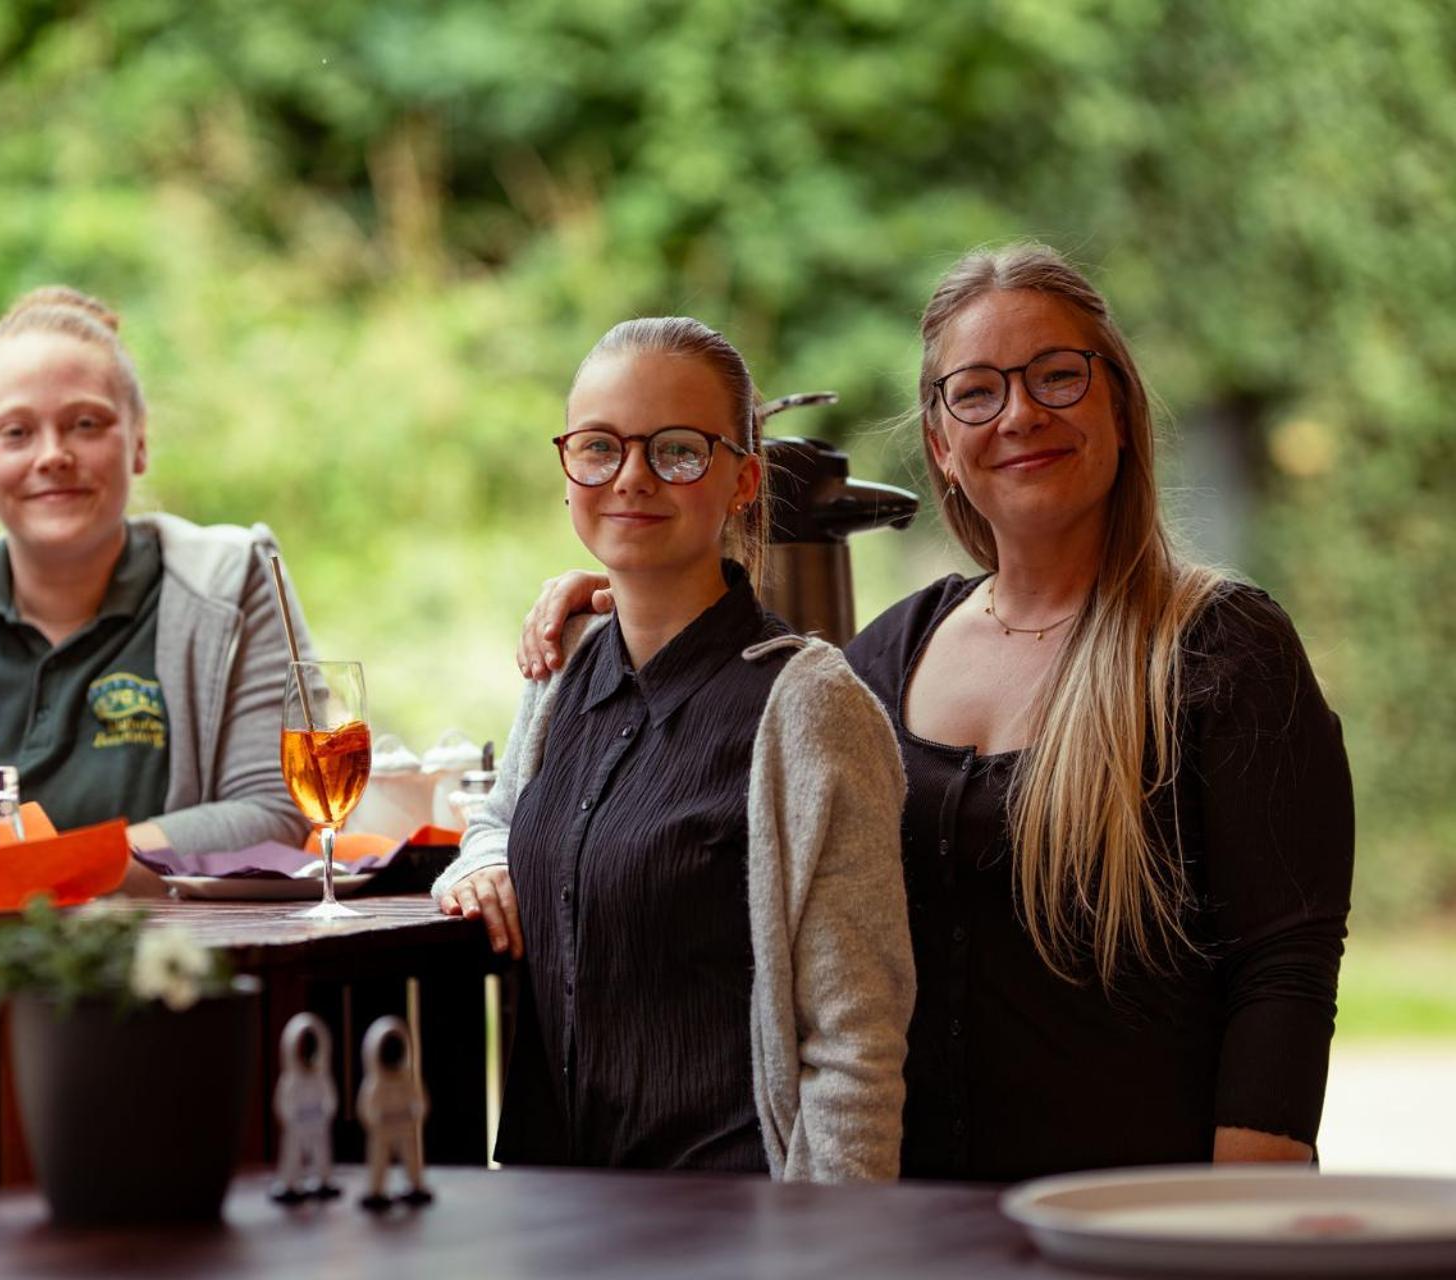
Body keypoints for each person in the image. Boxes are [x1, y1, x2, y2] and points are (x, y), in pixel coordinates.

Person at [515, 245, 1355, 1182]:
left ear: (1118, 405)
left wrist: (1239, 1221)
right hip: (915, 1219)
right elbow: (743, 730)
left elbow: (1285, 964)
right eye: (977, 391)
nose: (1022, 413)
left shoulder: (1221, 647)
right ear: (943, 446)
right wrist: (632, 587)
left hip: (1126, 1218)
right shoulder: (892, 652)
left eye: (1058, 377)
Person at [433, 318, 913, 1181]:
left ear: (743, 480)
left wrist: (834, 1249)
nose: (632, 477)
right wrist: (478, 861)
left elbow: (857, 1042)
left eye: (678, 451)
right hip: (552, 1208)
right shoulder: (565, 664)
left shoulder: (809, 707)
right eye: (599, 447)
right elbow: (499, 822)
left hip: (724, 1225)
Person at [0, 287, 310, 861]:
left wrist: (43, 866)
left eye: (86, 423)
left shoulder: (230, 581)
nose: (52, 455)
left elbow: (273, 814)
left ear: (140, 442)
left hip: (180, 947)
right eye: (16, 432)